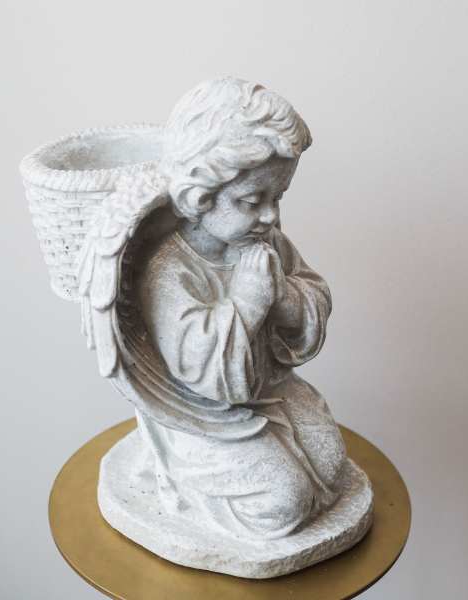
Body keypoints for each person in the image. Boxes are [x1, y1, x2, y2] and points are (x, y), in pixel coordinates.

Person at [129, 78, 347, 540]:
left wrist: (284, 298)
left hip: (271, 391)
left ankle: (274, 456)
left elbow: (313, 293)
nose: (270, 216)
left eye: (278, 198)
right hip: (202, 414)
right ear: (199, 195)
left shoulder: (266, 242)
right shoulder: (169, 271)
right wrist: (247, 301)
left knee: (330, 465)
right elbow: (199, 367)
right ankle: (174, 473)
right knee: (283, 502)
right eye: (251, 200)